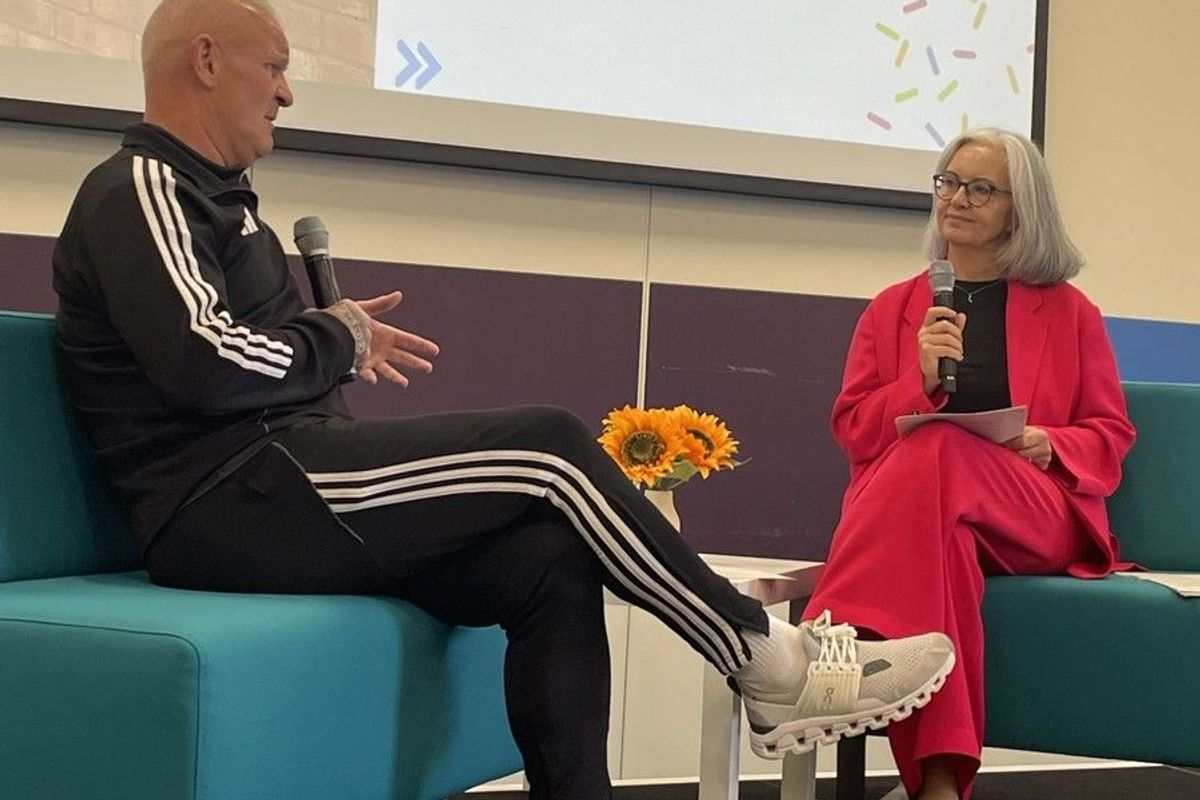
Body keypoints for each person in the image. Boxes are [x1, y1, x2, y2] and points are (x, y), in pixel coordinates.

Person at [50, 2, 955, 796]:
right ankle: (765, 659)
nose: (286, 94)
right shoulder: (146, 186)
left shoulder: (227, 202)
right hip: (224, 502)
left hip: (278, 480)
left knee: (547, 555)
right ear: (205, 60)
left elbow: (248, 358)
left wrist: (325, 346)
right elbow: (207, 365)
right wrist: (337, 339)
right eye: (275, 68)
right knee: (549, 445)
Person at [803, 127, 1136, 800]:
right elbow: (855, 431)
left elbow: (1111, 433)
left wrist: (1051, 442)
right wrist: (916, 381)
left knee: (940, 446)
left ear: (1022, 210)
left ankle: (831, 634)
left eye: (980, 188)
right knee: (942, 541)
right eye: (948, 182)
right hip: (938, 517)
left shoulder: (1069, 312)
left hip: (1036, 513)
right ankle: (943, 782)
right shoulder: (894, 310)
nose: (956, 199)